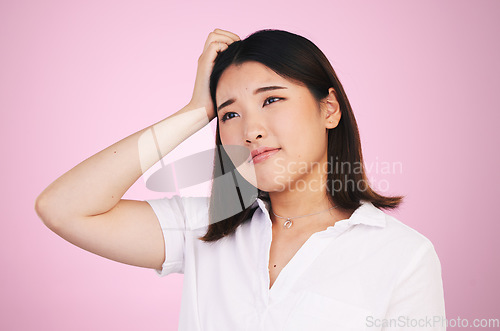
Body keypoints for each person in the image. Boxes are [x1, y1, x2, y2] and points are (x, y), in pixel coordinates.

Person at [35, 28, 446, 330]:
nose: (250, 130)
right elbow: (62, 208)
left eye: (272, 99)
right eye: (230, 113)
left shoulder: (403, 255)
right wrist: (196, 110)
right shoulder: (204, 229)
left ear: (329, 110)